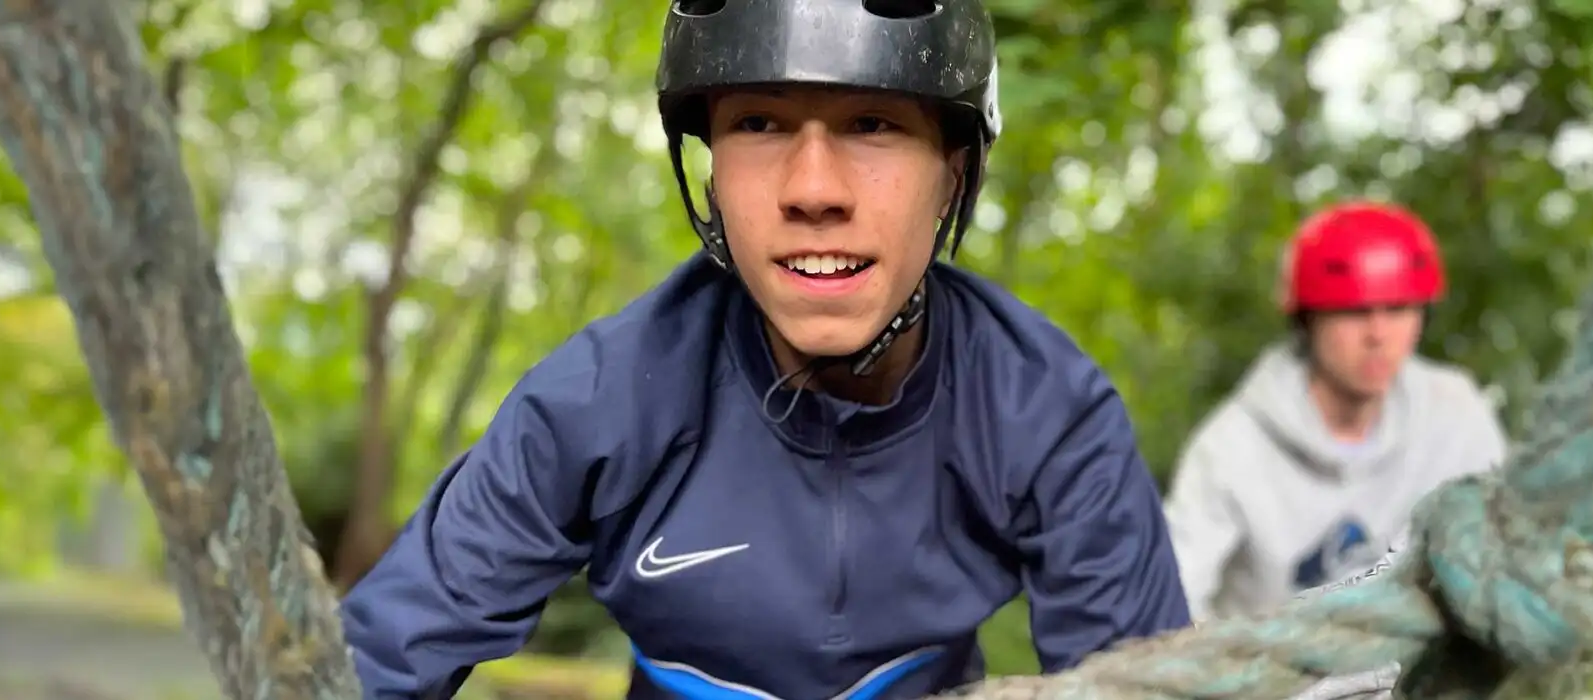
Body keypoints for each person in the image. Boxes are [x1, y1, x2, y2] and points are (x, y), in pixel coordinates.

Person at [338, 1, 1191, 698]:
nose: (813, 190)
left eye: (872, 123)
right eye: (758, 122)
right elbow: (370, 665)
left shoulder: (1047, 413)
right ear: (711, 179)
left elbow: (1146, 687)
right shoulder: (595, 404)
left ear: (954, 177)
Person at [1162, 201, 1508, 623]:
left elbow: (1510, 556)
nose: (1379, 335)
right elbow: (1173, 595)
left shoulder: (1456, 415)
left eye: (1399, 309)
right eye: (1354, 311)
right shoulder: (1229, 449)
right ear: (1307, 321)